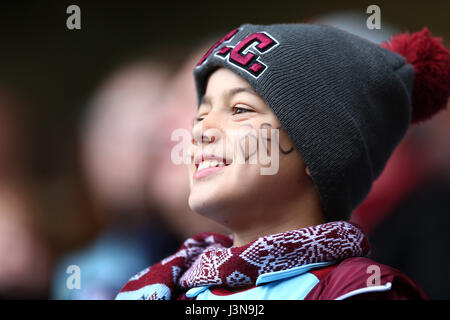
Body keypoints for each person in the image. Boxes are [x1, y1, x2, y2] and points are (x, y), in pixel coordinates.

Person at [116, 23, 450, 300]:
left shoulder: (361, 291)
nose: (202, 132)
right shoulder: (166, 286)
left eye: (240, 110)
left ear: (318, 151)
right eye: (201, 115)